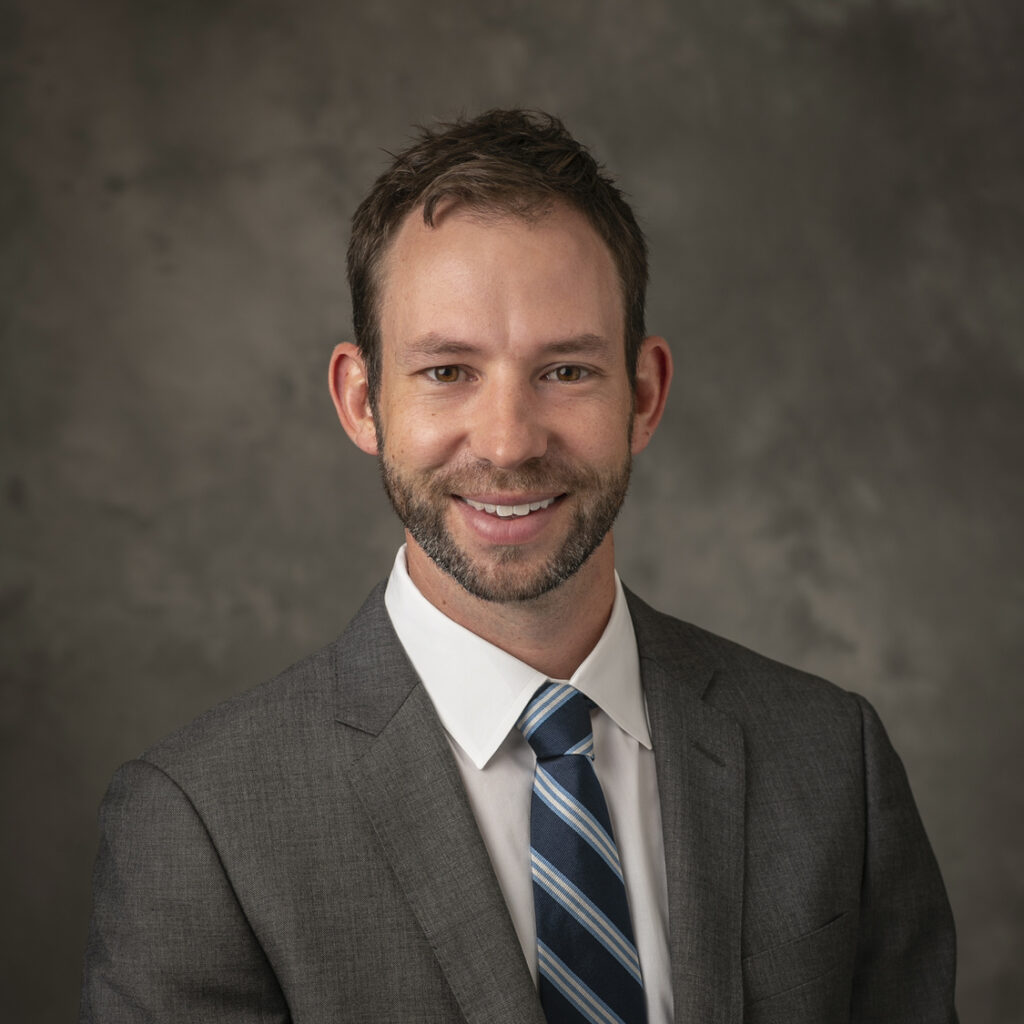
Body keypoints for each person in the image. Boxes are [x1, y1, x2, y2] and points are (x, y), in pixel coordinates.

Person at [80, 109, 957, 1024]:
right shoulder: (202, 823)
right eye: (448, 372)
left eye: (567, 372)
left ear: (645, 395)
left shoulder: (829, 758)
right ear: (361, 399)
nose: (507, 445)